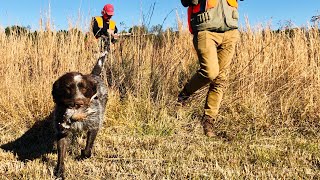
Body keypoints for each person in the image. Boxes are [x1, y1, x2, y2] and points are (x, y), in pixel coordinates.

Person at [178, 0, 240, 138]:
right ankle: (184, 95)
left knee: (221, 79)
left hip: (230, 31)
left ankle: (208, 121)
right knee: (210, 72)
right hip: (205, 29)